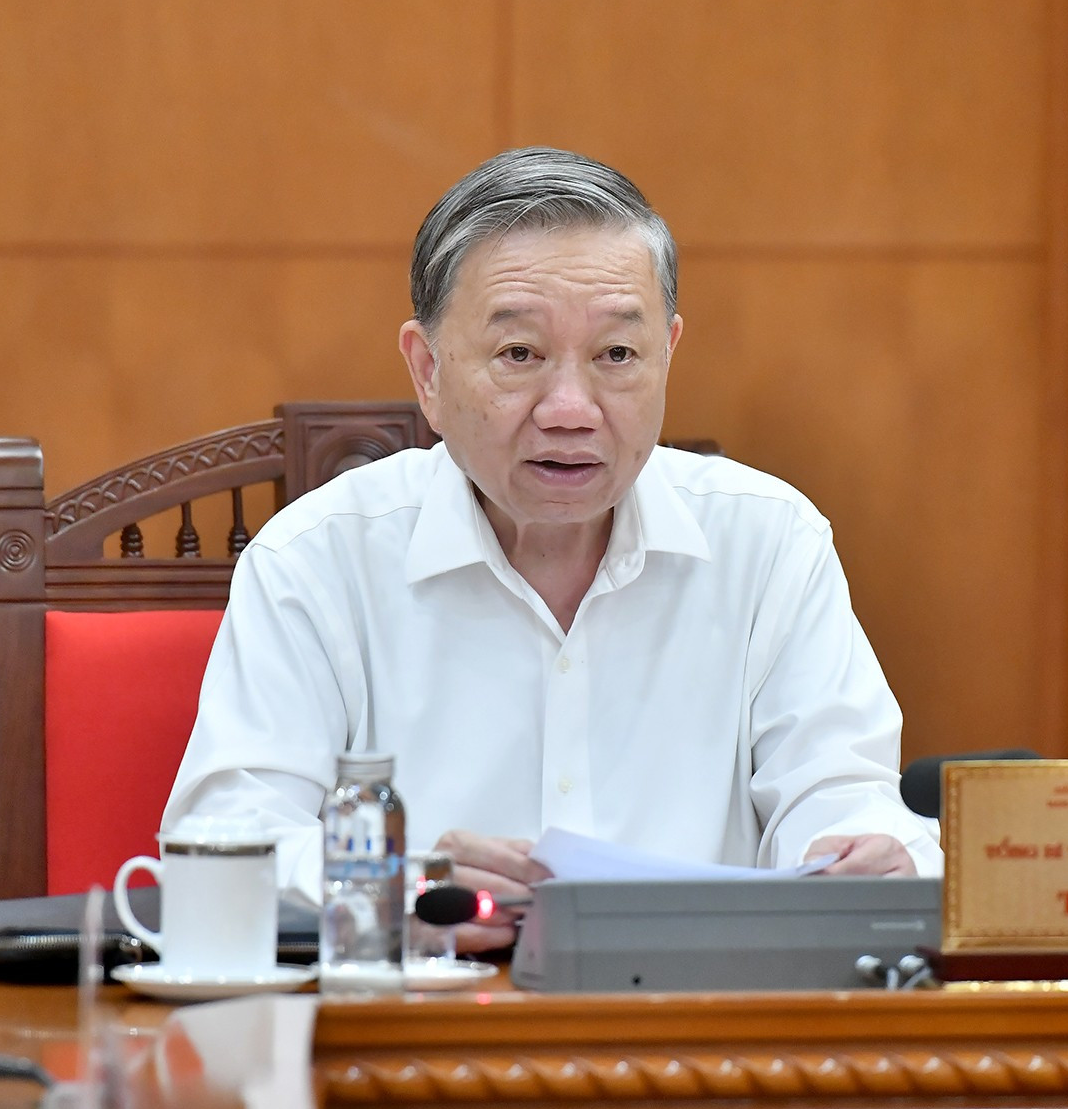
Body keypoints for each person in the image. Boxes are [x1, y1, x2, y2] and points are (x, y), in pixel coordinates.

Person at [163, 147, 942, 950]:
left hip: (698, 1039)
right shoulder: (318, 561)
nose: (570, 410)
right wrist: (407, 890)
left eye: (617, 356)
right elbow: (219, 850)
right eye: (520, 356)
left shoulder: (771, 544)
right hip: (413, 1042)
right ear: (427, 372)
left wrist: (864, 858)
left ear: (668, 355)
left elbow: (847, 802)